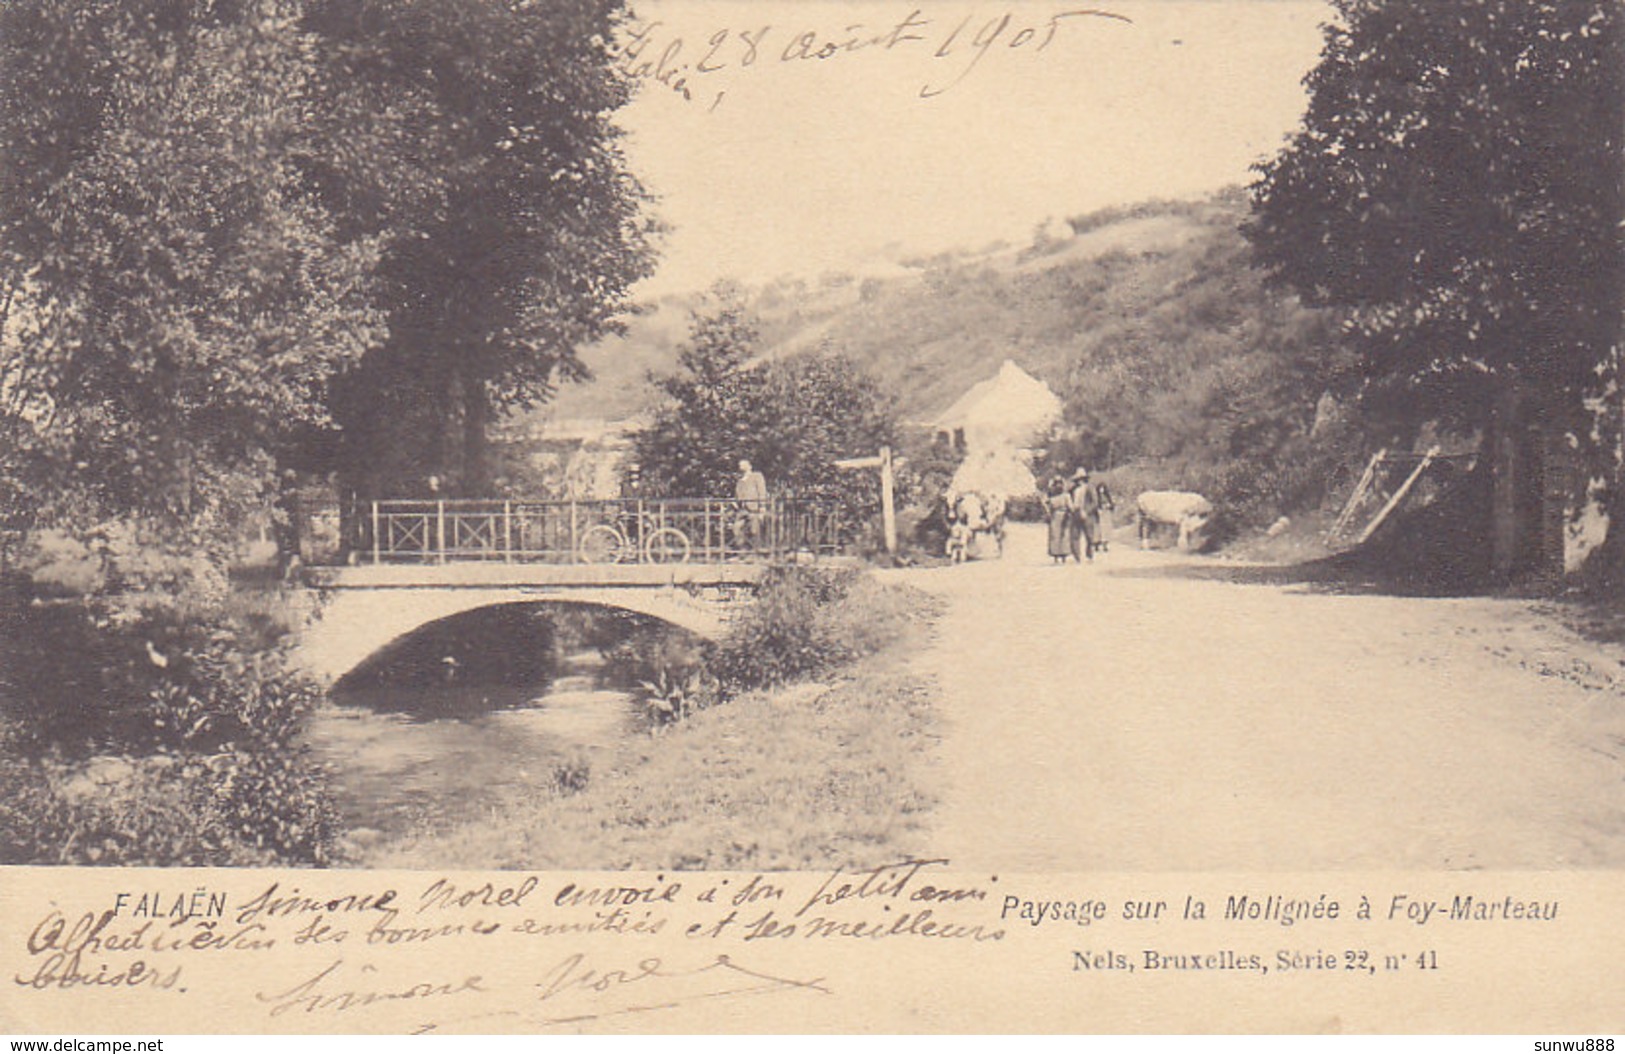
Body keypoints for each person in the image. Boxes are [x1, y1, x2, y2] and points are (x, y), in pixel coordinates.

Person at [734, 459, 770, 550]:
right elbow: (737, 495)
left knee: (754, 530)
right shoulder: (740, 480)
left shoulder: (756, 476)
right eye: (740, 465)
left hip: (754, 508)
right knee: (736, 528)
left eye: (743, 465)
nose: (741, 467)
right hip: (742, 509)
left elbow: (762, 491)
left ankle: (755, 552)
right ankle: (743, 551)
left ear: (750, 466)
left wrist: (762, 506)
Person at [1069, 468, 1100, 561]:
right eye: (1077, 479)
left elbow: (1095, 502)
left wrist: (1086, 511)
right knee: (1074, 535)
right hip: (1075, 513)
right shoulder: (1072, 489)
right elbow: (1069, 500)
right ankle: (1077, 557)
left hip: (1087, 514)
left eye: (1081, 479)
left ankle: (1089, 555)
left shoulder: (1090, 488)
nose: (1079, 481)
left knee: (1089, 536)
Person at [1045, 476, 1073, 564]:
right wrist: (1048, 513)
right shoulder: (1051, 497)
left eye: (1060, 484)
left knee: (1064, 536)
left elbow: (1071, 507)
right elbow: (1048, 507)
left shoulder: (1066, 496)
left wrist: (1070, 514)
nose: (1058, 486)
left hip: (1064, 516)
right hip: (1054, 517)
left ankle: (1064, 556)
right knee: (1055, 536)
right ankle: (1055, 556)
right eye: (1056, 484)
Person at [1094, 480, 1116, 554]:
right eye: (1100, 488)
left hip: (1106, 513)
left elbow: (1112, 504)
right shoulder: (1096, 497)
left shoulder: (1107, 496)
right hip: (1100, 514)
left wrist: (1109, 505)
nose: (1101, 490)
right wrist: (1098, 509)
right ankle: (1097, 544)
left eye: (1103, 488)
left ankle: (1105, 545)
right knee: (1099, 529)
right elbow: (1095, 505)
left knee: (1106, 529)